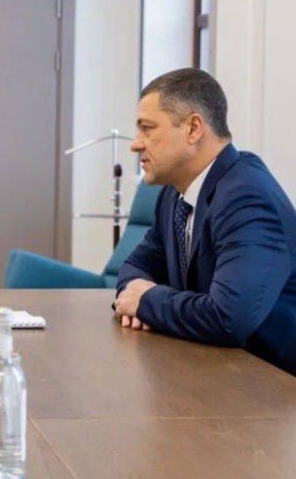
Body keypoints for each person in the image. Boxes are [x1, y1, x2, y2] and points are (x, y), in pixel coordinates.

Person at [114, 67, 296, 376]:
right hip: (210, 370)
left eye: (147, 128)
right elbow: (134, 268)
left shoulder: (247, 197)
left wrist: (147, 302)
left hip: (270, 386)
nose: (136, 144)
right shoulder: (172, 194)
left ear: (193, 128)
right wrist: (136, 298)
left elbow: (229, 319)